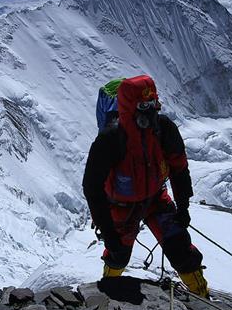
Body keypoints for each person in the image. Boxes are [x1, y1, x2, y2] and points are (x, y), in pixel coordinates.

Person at [82, 74, 209, 298]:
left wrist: (183, 207)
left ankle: (203, 297)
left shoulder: (163, 129)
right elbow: (92, 188)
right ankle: (107, 296)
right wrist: (108, 230)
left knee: (179, 247)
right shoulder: (110, 139)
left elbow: (179, 168)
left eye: (152, 105)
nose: (150, 112)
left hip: (154, 198)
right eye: (144, 105)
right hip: (124, 205)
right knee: (118, 253)